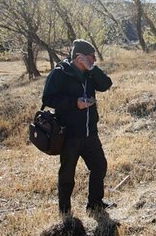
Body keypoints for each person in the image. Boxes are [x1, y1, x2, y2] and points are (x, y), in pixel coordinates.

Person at [43, 39, 113, 215]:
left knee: (99, 166)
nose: (95, 59)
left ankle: (95, 204)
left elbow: (106, 85)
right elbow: (48, 98)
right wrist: (75, 103)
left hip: (90, 133)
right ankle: (65, 212)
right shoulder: (60, 73)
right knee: (67, 176)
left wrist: (92, 69)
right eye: (91, 56)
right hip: (69, 135)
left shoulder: (90, 73)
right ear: (79, 57)